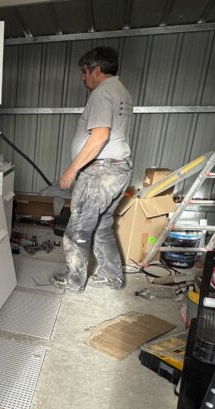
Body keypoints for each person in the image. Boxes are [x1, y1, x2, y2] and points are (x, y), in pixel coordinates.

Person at [53, 46, 134, 293]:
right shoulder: (121, 91)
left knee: (77, 229)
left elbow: (100, 135)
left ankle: (74, 280)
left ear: (97, 70)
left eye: (85, 71)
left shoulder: (102, 93)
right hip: (118, 170)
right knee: (102, 226)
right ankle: (111, 276)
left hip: (100, 173)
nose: (82, 76)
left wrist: (72, 169)